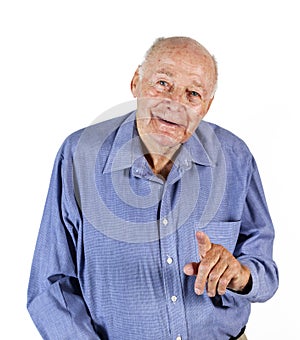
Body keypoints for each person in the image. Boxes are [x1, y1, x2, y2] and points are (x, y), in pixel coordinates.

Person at [27, 36, 279, 340]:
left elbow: (263, 269)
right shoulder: (79, 155)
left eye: (193, 94)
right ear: (135, 82)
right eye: (162, 83)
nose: (174, 104)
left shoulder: (235, 158)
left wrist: (240, 275)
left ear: (207, 106)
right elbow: (50, 287)